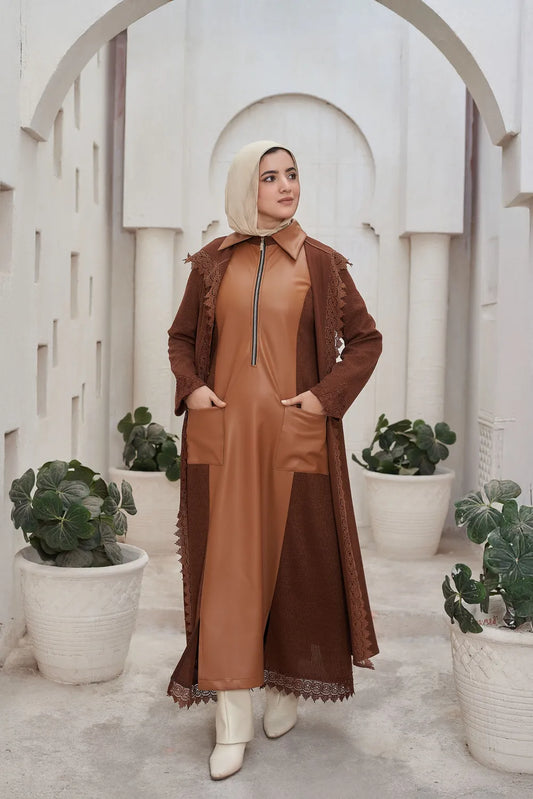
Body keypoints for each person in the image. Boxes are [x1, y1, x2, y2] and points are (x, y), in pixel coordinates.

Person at [167, 140, 382, 780]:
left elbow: (365, 340)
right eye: (270, 176)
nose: (286, 185)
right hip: (225, 443)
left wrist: (324, 399)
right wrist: (192, 388)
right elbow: (181, 338)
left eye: (292, 174)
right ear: (246, 187)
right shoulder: (211, 263)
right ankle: (231, 722)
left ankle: (286, 685)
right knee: (228, 576)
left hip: (294, 438)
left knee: (295, 565)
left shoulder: (322, 264)